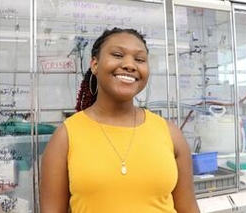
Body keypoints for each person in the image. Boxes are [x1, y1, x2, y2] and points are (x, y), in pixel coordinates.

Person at [40, 27, 200, 213]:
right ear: (95, 65)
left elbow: (188, 207)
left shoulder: (170, 133)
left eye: (139, 59)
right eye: (117, 55)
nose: (130, 65)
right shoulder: (66, 136)